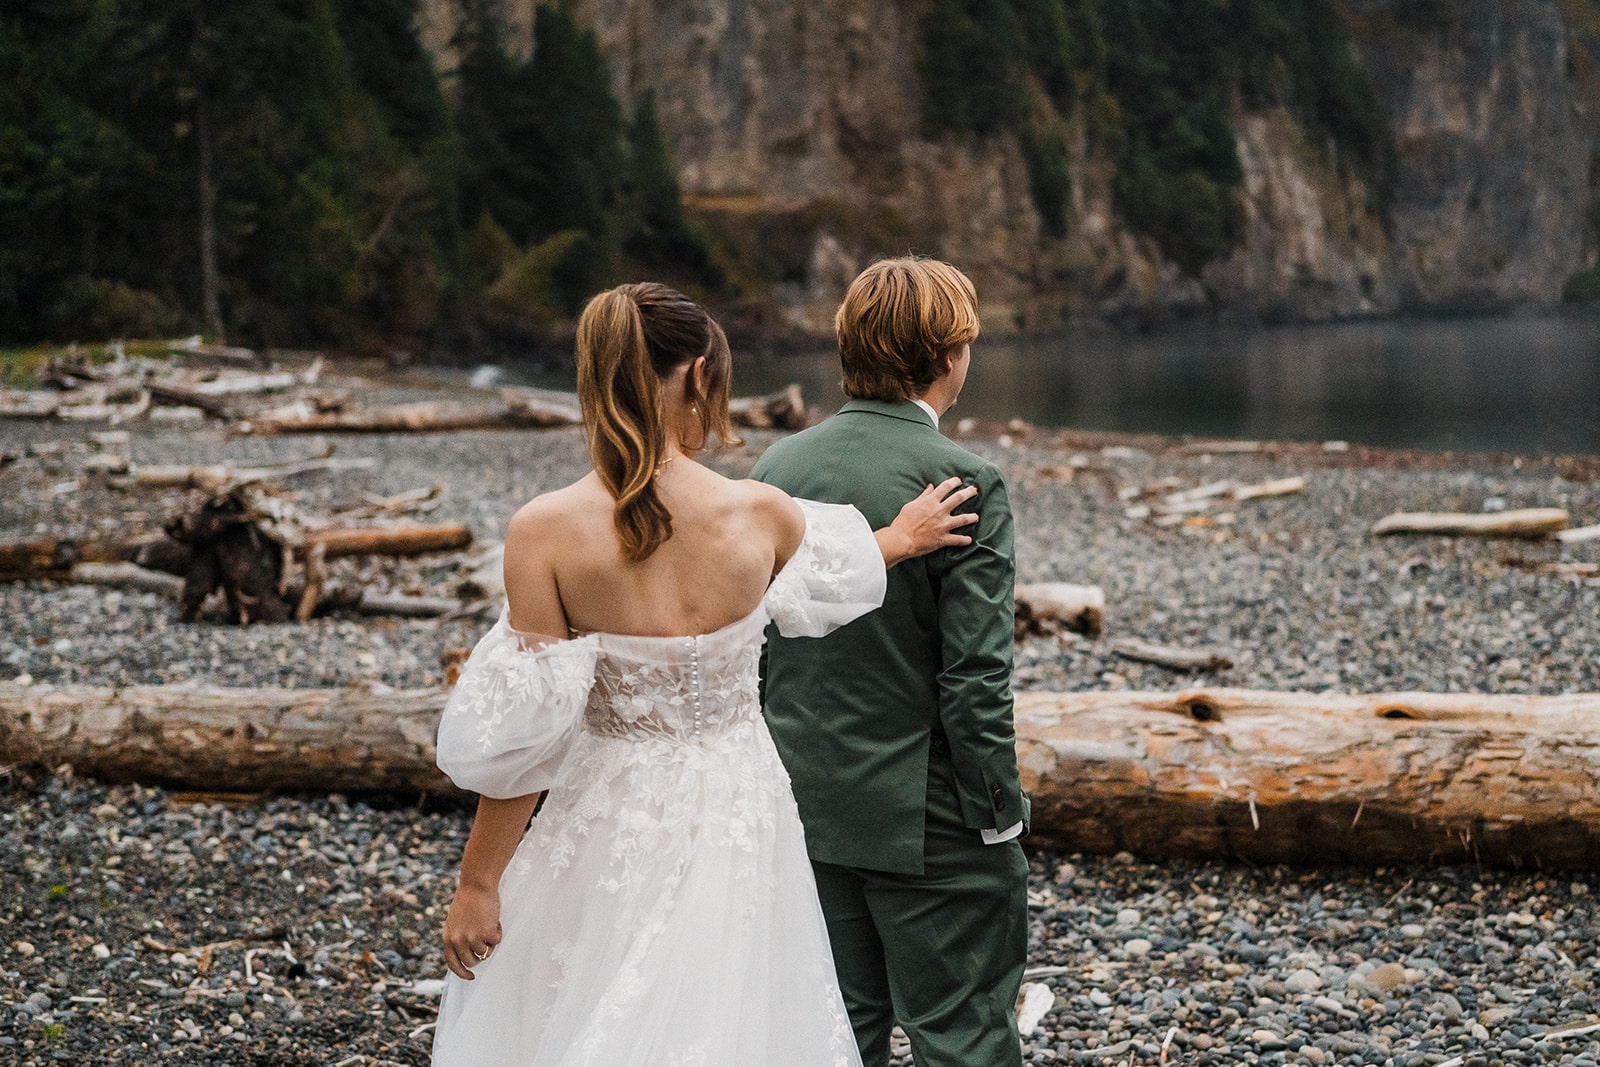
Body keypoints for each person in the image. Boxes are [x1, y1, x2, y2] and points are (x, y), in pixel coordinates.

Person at [429, 281, 980, 1066]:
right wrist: (901, 535)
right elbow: (833, 568)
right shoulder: (758, 515)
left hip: (610, 803)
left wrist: (478, 884)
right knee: (732, 1002)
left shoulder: (543, 532)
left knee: (589, 993)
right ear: (697, 376)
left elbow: (529, 738)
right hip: (737, 800)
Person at [752, 257, 1030, 1067]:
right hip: (928, 813)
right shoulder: (966, 481)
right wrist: (997, 810)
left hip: (803, 797)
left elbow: (763, 645)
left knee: (837, 1034)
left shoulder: (776, 471)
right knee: (962, 1032)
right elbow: (975, 675)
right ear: (947, 356)